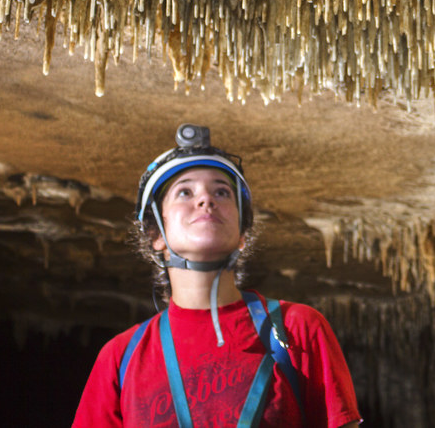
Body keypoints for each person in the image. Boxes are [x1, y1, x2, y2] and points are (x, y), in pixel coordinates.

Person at [74, 124, 361, 427]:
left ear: (243, 234)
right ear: (156, 234)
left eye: (222, 192)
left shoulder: (296, 329)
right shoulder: (121, 358)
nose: (206, 200)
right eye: (185, 191)